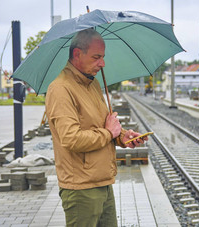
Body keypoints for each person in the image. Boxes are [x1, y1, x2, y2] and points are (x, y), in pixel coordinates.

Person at [45, 28, 148, 227]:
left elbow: (102, 124)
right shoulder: (60, 89)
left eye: (102, 57)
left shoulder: (91, 84)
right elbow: (71, 139)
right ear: (77, 54)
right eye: (96, 57)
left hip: (103, 182)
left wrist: (122, 136)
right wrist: (109, 133)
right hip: (81, 189)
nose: (102, 64)